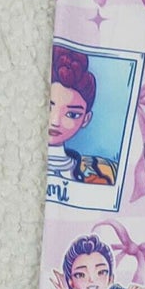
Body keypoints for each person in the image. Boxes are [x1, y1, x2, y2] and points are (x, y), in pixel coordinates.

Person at [45, 44, 117, 187]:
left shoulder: (104, 172)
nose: (55, 121)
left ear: (86, 119)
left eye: (71, 114)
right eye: (48, 107)